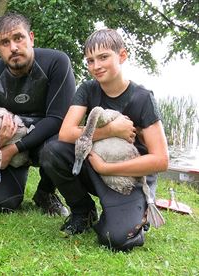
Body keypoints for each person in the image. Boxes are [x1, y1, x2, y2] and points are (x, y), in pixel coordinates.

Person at [41, 29, 169, 251]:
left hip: (129, 179)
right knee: (52, 150)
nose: (96, 66)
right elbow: (66, 133)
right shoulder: (88, 89)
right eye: (90, 60)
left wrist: (108, 168)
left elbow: (160, 160)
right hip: (95, 166)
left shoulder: (142, 98)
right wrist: (111, 130)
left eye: (103, 57)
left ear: (122, 56)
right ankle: (84, 211)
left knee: (117, 238)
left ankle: (136, 213)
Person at [0, 13, 75, 214]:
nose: (13, 47)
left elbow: (58, 119)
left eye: (18, 38)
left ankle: (45, 192)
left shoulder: (57, 62)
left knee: (57, 146)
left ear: (31, 38)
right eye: (5, 42)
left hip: (46, 140)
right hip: (7, 142)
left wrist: (14, 149)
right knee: (3, 204)